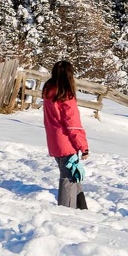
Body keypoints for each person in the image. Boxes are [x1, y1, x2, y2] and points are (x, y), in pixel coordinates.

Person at [42, 60, 89, 209]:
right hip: (66, 143)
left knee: (73, 175)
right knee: (68, 178)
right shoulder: (65, 96)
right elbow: (73, 125)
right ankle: (66, 212)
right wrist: (83, 146)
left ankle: (81, 208)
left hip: (55, 142)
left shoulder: (50, 92)